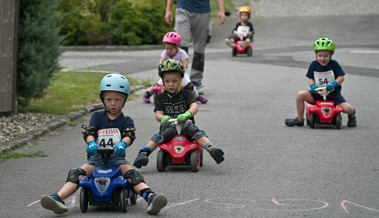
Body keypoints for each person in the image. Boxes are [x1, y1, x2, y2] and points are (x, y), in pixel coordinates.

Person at [40, 74, 167, 215]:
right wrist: (91, 143)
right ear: (103, 99)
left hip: (116, 159)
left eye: (117, 100)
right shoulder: (97, 117)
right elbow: (90, 132)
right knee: (77, 173)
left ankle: (151, 197)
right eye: (109, 99)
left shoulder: (126, 120)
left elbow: (129, 135)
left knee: (132, 174)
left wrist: (123, 145)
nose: (113, 103)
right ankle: (58, 198)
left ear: (124, 100)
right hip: (96, 159)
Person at [134, 59, 224, 169]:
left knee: (196, 133)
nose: (171, 84)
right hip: (169, 127)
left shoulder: (187, 94)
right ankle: (144, 152)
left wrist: (187, 114)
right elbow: (158, 114)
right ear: (163, 81)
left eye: (174, 81)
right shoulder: (161, 97)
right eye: (167, 81)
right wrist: (163, 118)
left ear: (181, 80)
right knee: (159, 136)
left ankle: (211, 148)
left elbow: (194, 106)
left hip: (186, 125)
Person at [284, 38, 357, 127]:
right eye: (320, 55)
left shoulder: (334, 64)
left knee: (347, 108)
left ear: (331, 55)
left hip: (333, 95)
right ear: (316, 55)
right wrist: (312, 86)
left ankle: (352, 115)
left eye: (326, 56)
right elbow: (310, 78)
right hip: (317, 94)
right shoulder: (314, 64)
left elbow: (341, 77)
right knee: (300, 95)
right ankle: (299, 119)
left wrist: (333, 84)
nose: (322, 58)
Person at [165, 0, 225, 95]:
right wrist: (168, 9)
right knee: (180, 47)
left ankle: (195, 83)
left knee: (199, 50)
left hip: (203, 12)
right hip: (183, 9)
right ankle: (177, 81)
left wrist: (221, 10)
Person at [142, 32, 207, 104]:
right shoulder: (165, 53)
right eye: (167, 48)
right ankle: (147, 94)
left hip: (181, 75)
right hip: (168, 74)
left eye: (171, 49)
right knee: (158, 84)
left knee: (190, 86)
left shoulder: (182, 53)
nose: (168, 51)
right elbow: (161, 62)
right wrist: (161, 66)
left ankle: (197, 96)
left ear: (177, 47)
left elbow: (185, 64)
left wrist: (179, 67)